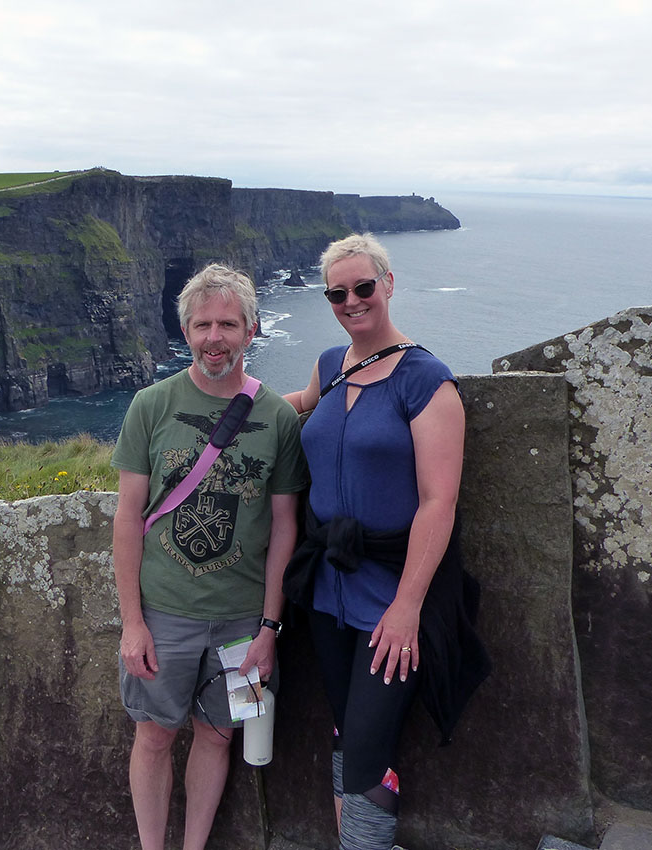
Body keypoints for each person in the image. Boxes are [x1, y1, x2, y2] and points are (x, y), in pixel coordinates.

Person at [283, 233, 489, 850]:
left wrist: (407, 609)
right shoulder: (329, 364)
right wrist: (237, 401)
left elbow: (438, 502)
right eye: (338, 293)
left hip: (389, 594)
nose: (352, 301)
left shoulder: (426, 380)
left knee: (371, 748)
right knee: (347, 731)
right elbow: (305, 407)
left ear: (389, 284)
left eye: (364, 287)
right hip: (327, 588)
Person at [112, 263, 306, 850]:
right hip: (164, 613)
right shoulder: (151, 405)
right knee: (152, 736)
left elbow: (283, 529)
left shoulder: (276, 417)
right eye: (201, 325)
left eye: (227, 324)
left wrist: (270, 628)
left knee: (219, 736)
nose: (213, 337)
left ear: (252, 330)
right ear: (186, 331)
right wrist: (132, 623)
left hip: (243, 621)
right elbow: (127, 517)